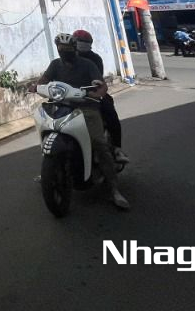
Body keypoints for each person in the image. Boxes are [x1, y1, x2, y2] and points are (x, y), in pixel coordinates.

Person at [37, 32, 130, 210]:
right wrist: (36, 86)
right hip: (61, 105)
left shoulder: (88, 64)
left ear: (74, 49)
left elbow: (101, 85)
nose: (64, 51)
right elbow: (44, 80)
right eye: (61, 48)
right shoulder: (55, 64)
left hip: (87, 107)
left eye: (67, 48)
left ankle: (114, 189)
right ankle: (50, 170)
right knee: (49, 130)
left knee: (99, 144)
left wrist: (97, 93)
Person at [72, 29, 129, 165]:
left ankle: (117, 149)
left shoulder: (95, 59)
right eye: (79, 41)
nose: (81, 44)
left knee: (110, 113)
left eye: (84, 41)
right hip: (70, 94)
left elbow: (98, 78)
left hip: (92, 93)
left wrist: (94, 90)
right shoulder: (68, 57)